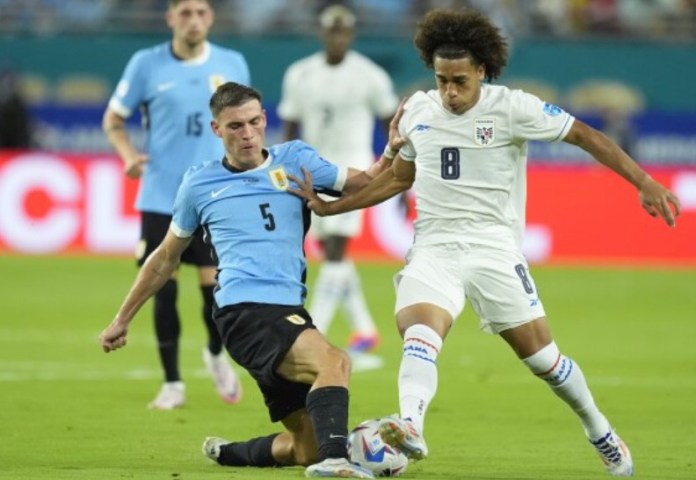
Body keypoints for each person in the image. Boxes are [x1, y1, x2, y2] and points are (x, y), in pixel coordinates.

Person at [289, 8, 681, 477]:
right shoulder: (418, 110)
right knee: (419, 335)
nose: (450, 92)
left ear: (481, 71)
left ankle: (599, 428)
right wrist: (336, 207)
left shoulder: (514, 107)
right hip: (434, 248)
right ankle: (410, 426)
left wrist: (643, 181)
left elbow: (585, 135)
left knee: (545, 362)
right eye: (441, 80)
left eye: (459, 80)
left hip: (494, 250)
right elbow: (397, 179)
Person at [100, 82, 403, 478]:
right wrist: (122, 318)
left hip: (288, 309)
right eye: (235, 126)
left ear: (265, 120)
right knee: (335, 361)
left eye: (254, 122)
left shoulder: (294, 159)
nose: (247, 133)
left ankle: (231, 453)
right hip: (244, 312)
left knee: (305, 448)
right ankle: (338, 461)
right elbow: (164, 259)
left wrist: (393, 149)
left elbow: (363, 181)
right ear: (216, 130)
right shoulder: (199, 184)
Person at [102, 0, 250, 410]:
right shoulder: (146, 64)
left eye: (201, 12)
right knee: (162, 293)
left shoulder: (232, 63)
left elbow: (245, 125)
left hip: (214, 198)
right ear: (170, 18)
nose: (193, 20)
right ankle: (172, 384)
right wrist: (128, 155)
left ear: (211, 18)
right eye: (184, 13)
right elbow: (113, 119)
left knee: (216, 295)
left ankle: (216, 354)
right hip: (160, 197)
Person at [278, 4, 399, 364]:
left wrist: (397, 179)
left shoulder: (370, 76)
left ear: (351, 34)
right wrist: (282, 173)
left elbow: (391, 129)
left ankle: (315, 332)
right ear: (322, 33)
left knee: (335, 251)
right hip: (312, 171)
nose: (337, 37)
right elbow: (290, 126)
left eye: (343, 31)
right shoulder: (300, 74)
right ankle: (364, 328)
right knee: (331, 251)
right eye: (332, 31)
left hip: (353, 171)